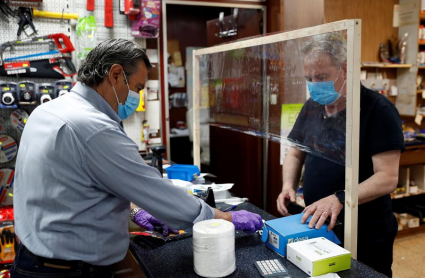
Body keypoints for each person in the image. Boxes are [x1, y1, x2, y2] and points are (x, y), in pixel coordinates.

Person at [11, 39, 263, 278]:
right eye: (139, 88)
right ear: (116, 74)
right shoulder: (94, 128)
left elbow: (71, 187)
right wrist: (227, 218)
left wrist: (133, 211)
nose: (138, 98)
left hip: (31, 260)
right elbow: (160, 194)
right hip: (68, 271)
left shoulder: (47, 111)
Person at [276, 33, 404, 278]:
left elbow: (387, 178)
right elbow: (295, 152)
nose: (314, 84)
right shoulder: (311, 106)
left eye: (321, 77)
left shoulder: (379, 111)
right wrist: (287, 185)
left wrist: (339, 199)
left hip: (365, 232)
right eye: (309, 78)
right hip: (319, 225)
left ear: (345, 69)